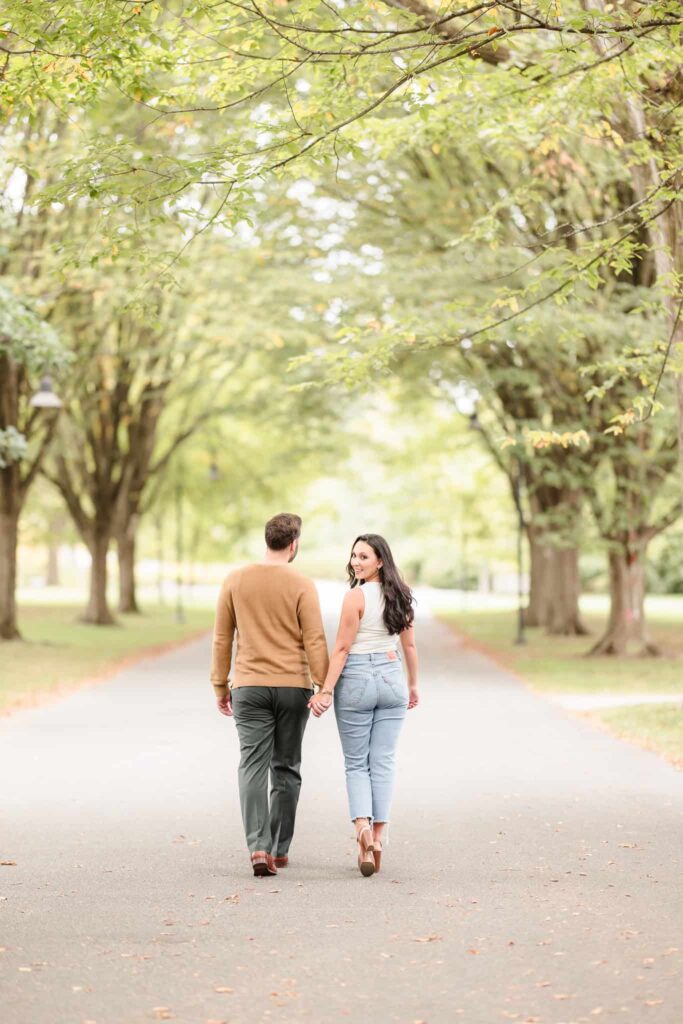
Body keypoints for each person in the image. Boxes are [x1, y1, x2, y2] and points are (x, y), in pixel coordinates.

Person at [210, 513, 329, 877]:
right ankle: (279, 849)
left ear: (268, 540)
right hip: (294, 686)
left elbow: (222, 638)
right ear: (293, 544)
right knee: (287, 766)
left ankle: (257, 846)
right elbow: (314, 638)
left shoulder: (235, 580)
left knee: (252, 765)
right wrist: (323, 684)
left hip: (249, 686)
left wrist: (219, 684)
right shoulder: (302, 583)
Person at [308, 534, 418, 877]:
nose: (356, 562)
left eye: (364, 557)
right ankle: (380, 840)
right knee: (383, 762)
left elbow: (341, 648)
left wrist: (325, 691)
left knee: (357, 763)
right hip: (391, 676)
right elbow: (409, 647)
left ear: (380, 561)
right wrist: (412, 685)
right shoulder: (400, 594)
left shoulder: (355, 597)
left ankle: (363, 830)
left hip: (356, 678)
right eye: (354, 555)